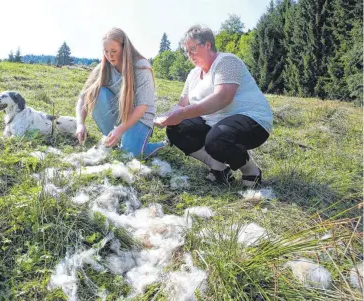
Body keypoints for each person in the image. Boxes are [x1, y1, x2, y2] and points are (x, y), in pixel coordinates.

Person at [155, 25, 273, 187]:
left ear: (207, 45)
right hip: (214, 124)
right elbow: (182, 104)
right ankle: (219, 169)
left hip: (252, 120)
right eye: (186, 51)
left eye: (193, 49)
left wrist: (182, 114)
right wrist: (164, 117)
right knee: (176, 128)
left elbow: (222, 97)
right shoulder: (193, 74)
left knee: (217, 140)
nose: (189, 55)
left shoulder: (226, 61)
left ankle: (251, 170)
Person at [75, 28, 166, 157]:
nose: (109, 56)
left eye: (114, 51)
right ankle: (114, 137)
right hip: (119, 114)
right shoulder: (103, 68)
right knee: (96, 92)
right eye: (106, 51)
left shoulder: (141, 66)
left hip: (140, 117)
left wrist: (120, 129)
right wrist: (80, 124)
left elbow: (142, 107)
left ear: (124, 49)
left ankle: (157, 145)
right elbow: (83, 98)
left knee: (129, 154)